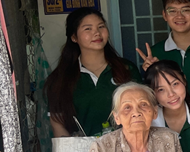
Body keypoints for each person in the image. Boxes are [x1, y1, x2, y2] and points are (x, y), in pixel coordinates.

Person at [45, 8, 142, 137]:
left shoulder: (126, 68)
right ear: (74, 37)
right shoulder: (60, 78)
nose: (97, 33)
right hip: (83, 148)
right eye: (88, 29)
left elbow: (143, 110)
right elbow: (58, 123)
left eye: (101, 26)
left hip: (128, 146)